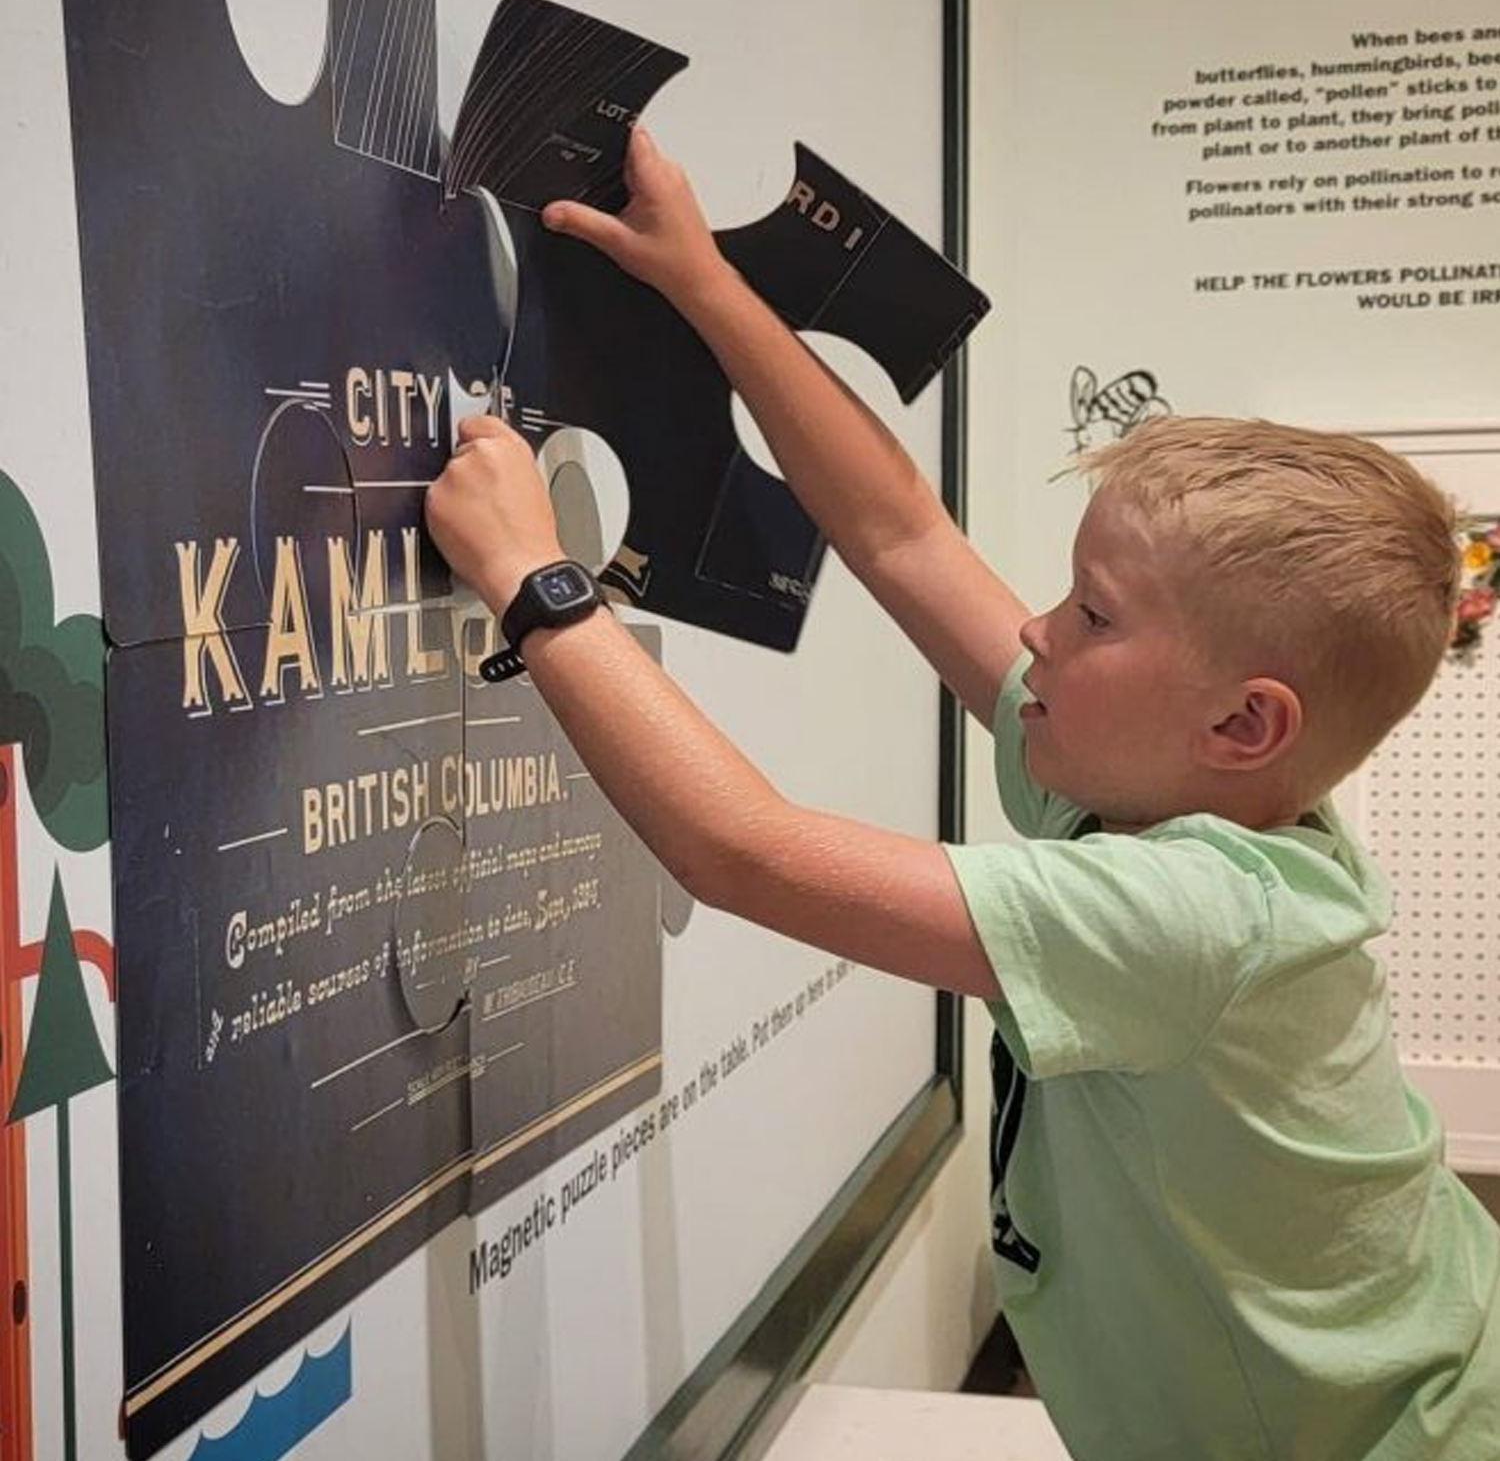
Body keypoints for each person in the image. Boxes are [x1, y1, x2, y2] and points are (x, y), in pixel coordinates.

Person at [426, 128, 1500, 1460]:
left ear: (1241, 721)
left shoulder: (1197, 915)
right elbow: (901, 534)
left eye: (1094, 615)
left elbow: (744, 853)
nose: (1039, 633)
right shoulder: (1149, 775)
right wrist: (707, 283)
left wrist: (539, 583)